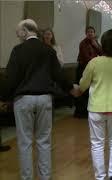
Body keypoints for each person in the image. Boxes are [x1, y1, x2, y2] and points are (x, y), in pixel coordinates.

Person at [1, 19, 77, 180]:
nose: (18, 36)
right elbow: (58, 74)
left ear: (25, 31)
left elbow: (11, 78)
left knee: (25, 142)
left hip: (23, 100)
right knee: (44, 141)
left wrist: (3, 98)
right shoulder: (48, 50)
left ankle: (27, 178)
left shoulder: (18, 50)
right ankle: (45, 177)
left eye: (18, 33)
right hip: (45, 99)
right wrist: (70, 88)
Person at [74, 29, 112, 180]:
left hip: (96, 108)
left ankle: (100, 177)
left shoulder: (95, 62)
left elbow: (83, 84)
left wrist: (77, 89)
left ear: (103, 45)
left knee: (97, 144)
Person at [74, 26, 102, 118]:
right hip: (83, 68)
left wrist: (95, 45)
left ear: (94, 33)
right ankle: (80, 112)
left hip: (91, 69)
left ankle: (88, 110)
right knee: (82, 89)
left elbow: (101, 53)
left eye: (92, 32)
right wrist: (96, 62)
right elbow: (86, 57)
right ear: (86, 33)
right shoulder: (83, 43)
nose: (90, 33)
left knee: (90, 90)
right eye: (88, 32)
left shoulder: (95, 42)